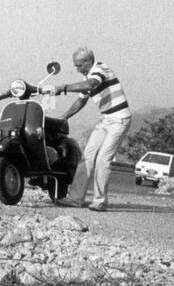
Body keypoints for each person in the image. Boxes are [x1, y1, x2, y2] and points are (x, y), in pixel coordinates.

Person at [53, 47, 131, 211]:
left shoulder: (100, 69)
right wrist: (63, 117)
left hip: (119, 119)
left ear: (89, 61)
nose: (77, 69)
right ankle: (76, 198)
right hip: (106, 119)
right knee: (87, 157)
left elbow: (91, 84)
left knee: (103, 160)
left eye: (79, 65)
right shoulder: (87, 76)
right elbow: (81, 101)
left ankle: (100, 201)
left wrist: (64, 87)